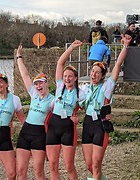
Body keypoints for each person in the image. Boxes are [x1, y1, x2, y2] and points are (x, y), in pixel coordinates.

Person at [80, 34, 131, 180]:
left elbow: (117, 67)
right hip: (88, 123)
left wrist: (125, 46)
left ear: (102, 76)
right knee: (89, 165)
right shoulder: (85, 88)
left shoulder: (106, 87)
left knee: (96, 164)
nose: (93, 75)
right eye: (92, 72)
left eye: (97, 73)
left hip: (100, 125)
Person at [46, 40, 86, 180]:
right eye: (65, 76)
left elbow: (88, 107)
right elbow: (60, 63)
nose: (67, 78)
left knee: (69, 165)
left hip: (68, 128)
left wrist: (78, 117)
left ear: (75, 78)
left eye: (70, 76)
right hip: (54, 125)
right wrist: (71, 48)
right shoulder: (59, 86)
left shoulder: (80, 93)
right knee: (52, 164)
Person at [16, 44, 55, 180]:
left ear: (46, 83)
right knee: (21, 170)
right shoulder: (33, 94)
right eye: (36, 83)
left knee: (38, 171)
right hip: (26, 131)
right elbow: (24, 75)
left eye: (41, 83)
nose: (38, 86)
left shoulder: (53, 100)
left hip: (39, 134)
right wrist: (19, 57)